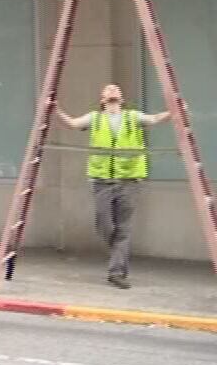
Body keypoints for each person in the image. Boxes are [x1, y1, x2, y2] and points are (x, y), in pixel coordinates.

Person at [57, 83, 171, 288]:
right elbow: (73, 124)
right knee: (104, 225)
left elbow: (155, 119)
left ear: (122, 97)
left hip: (129, 181)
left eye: (116, 89)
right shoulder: (95, 118)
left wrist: (174, 112)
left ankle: (116, 272)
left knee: (123, 229)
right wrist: (55, 110)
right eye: (108, 89)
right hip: (102, 181)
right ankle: (119, 250)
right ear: (102, 99)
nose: (112, 91)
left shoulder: (132, 117)